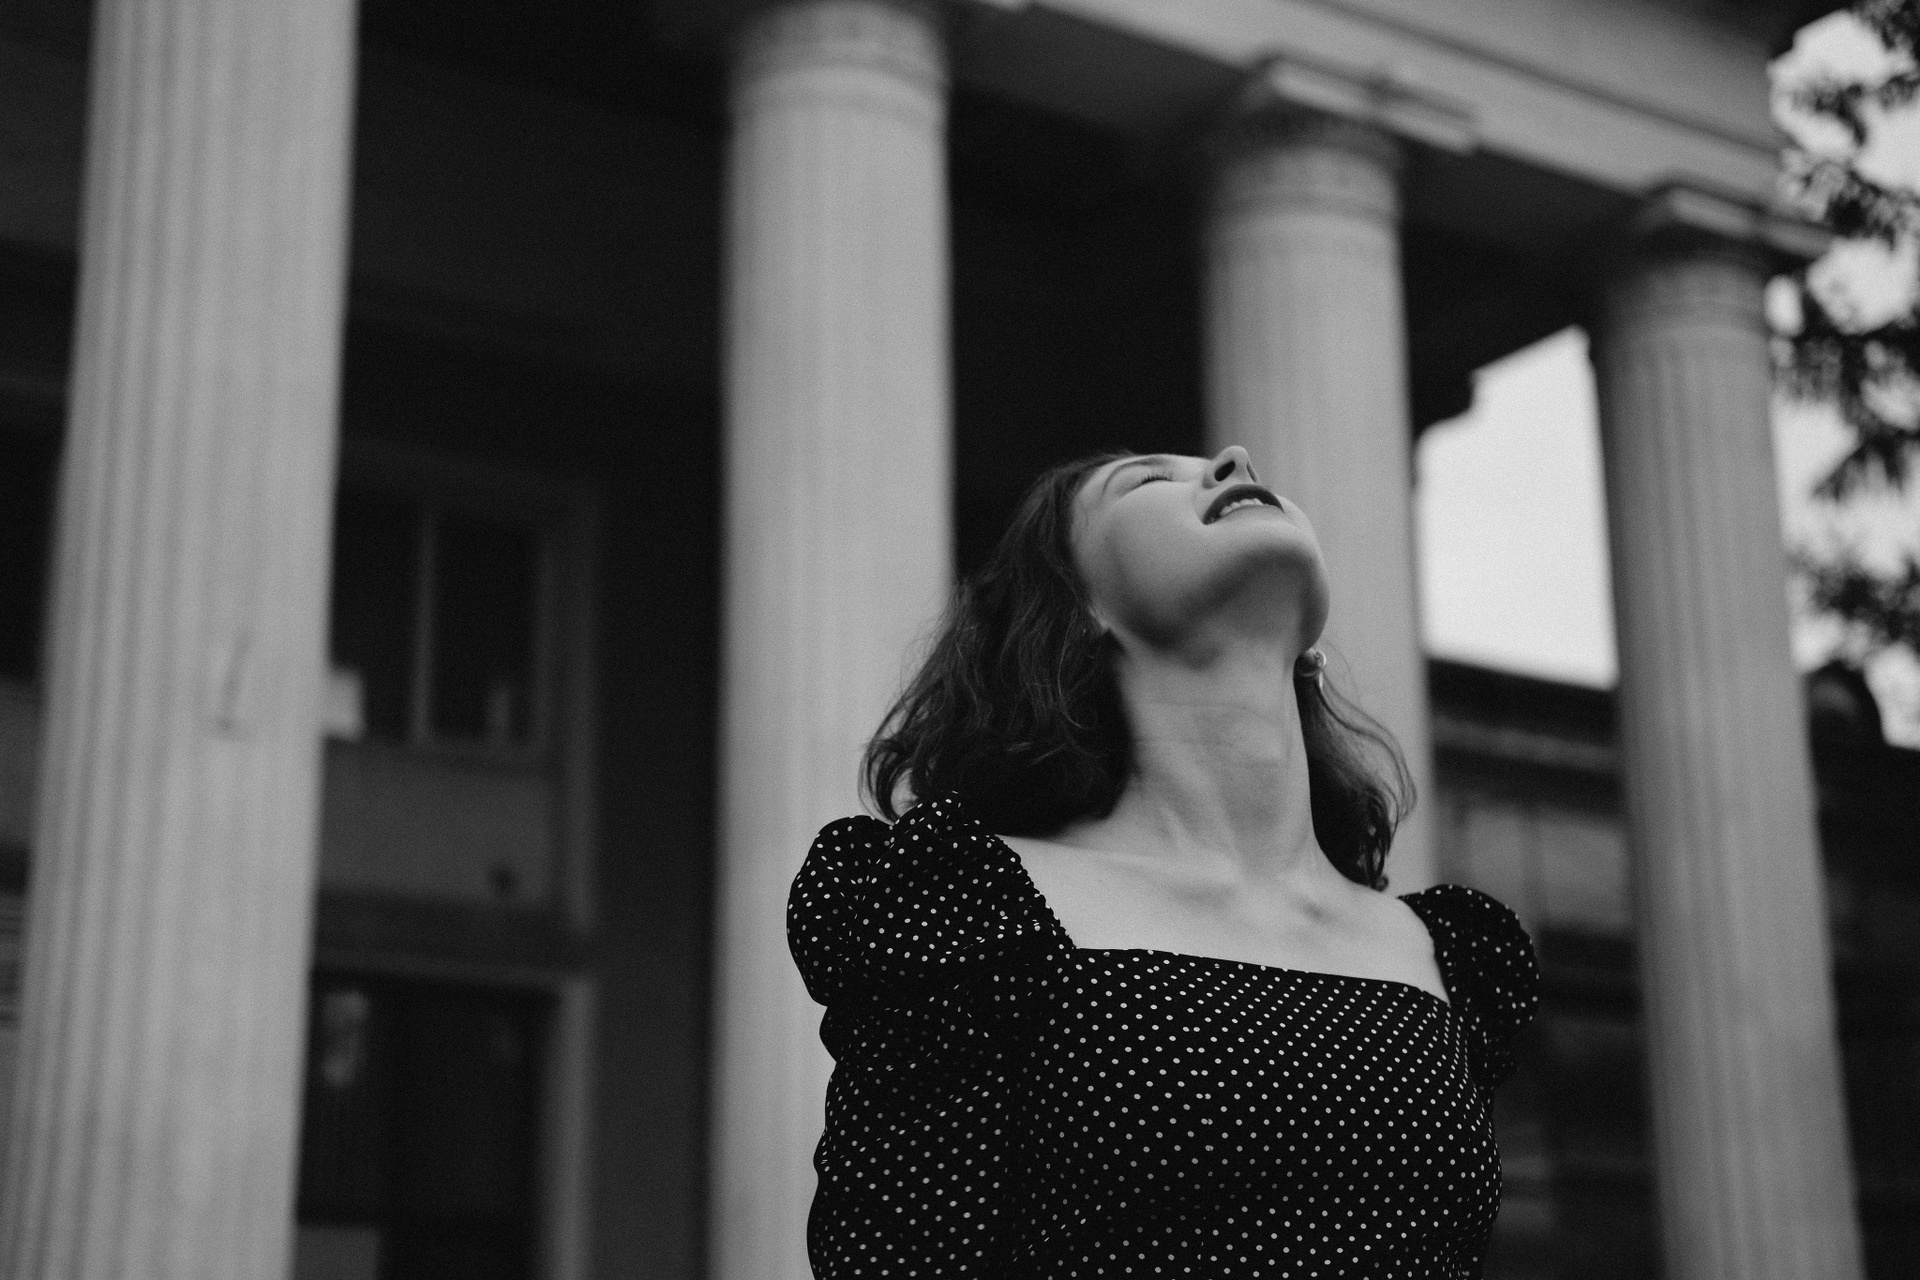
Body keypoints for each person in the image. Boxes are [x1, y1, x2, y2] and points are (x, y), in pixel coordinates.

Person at [788, 445, 1540, 1278]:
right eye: (1149, 479)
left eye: (1234, 468)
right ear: (1075, 607)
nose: (1232, 460)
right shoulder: (974, 911)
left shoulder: (1444, 950)